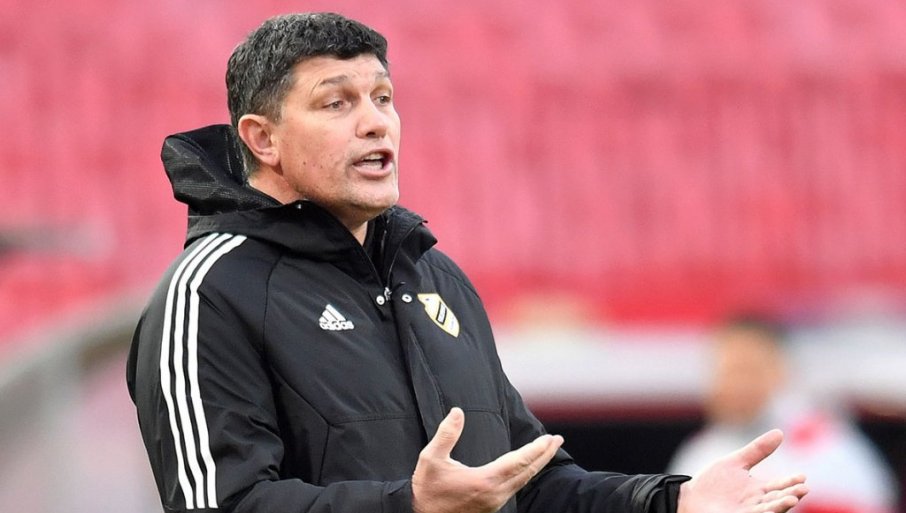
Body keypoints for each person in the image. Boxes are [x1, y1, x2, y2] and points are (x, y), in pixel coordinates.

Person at [127, 13, 808, 513]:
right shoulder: (209, 290)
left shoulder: (435, 278)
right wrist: (410, 506)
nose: (376, 122)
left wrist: (670, 501)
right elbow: (225, 504)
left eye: (383, 98)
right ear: (262, 139)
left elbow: (530, 483)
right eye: (337, 102)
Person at [668, 315, 897, 513]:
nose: (737, 384)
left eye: (748, 370)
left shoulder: (826, 445)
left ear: (781, 372)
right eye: (726, 372)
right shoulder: (700, 453)